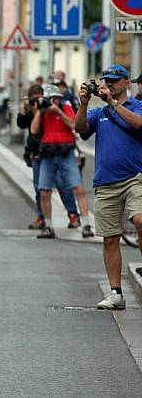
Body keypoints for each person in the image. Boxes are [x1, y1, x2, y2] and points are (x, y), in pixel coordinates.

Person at [75, 65, 142, 309]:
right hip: (106, 181)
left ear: (127, 83)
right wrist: (83, 103)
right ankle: (116, 293)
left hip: (136, 177)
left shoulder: (136, 105)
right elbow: (80, 129)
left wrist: (114, 103)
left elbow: (137, 124)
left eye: (114, 80)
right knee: (110, 239)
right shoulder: (99, 112)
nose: (110, 84)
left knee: (140, 220)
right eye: (106, 81)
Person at [30, 84, 93, 239]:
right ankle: (48, 226)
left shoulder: (65, 107)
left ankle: (86, 224)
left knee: (78, 188)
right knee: (44, 191)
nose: (54, 101)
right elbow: (33, 130)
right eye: (51, 99)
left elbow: (74, 125)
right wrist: (39, 111)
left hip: (66, 153)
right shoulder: (42, 111)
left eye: (56, 98)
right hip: (48, 154)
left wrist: (58, 111)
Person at [17, 84, 80, 231]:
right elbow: (22, 124)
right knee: (41, 189)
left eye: (40, 97)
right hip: (37, 152)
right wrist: (26, 109)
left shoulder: (50, 107)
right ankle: (42, 217)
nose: (39, 100)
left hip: (53, 151)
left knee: (63, 185)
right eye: (35, 98)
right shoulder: (34, 109)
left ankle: (73, 214)